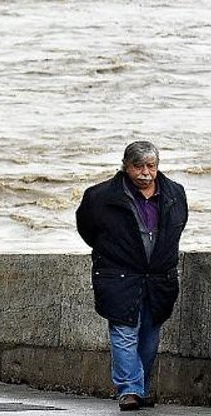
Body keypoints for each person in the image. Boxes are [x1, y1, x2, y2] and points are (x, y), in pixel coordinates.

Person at [76, 141, 188, 411]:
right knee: (124, 332)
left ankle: (140, 388)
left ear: (157, 166)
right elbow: (86, 229)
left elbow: (178, 226)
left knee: (149, 335)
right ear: (126, 166)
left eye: (151, 166)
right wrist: (114, 252)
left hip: (159, 277)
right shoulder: (99, 196)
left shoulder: (175, 192)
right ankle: (129, 390)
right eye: (138, 166)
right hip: (118, 275)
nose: (145, 172)